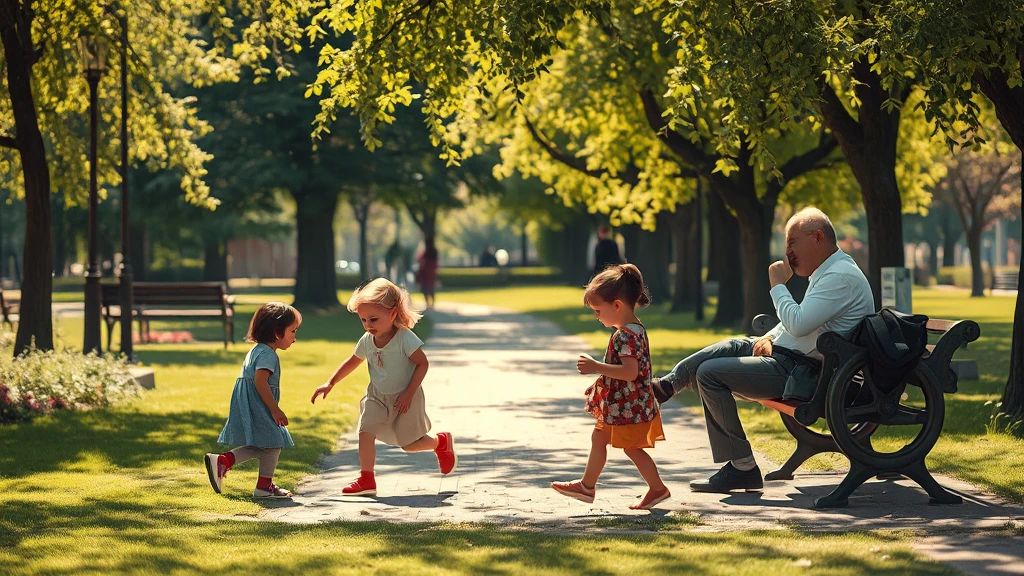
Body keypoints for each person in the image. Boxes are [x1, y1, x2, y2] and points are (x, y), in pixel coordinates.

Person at [652, 207, 874, 493]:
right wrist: (770, 337)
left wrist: (778, 286)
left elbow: (798, 321)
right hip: (793, 360)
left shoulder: (839, 277)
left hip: (807, 375)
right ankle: (669, 384)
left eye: (793, 242)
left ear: (817, 237)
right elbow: (802, 322)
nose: (788, 251)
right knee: (733, 344)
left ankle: (742, 468)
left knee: (710, 374)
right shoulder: (830, 271)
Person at [310, 278, 456, 497]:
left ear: (393, 314)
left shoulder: (404, 338)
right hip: (376, 396)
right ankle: (366, 478)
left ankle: (440, 443)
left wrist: (408, 394)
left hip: (405, 397)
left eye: (374, 319)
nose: (369, 325)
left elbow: (422, 363)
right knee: (365, 431)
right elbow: (352, 360)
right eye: (363, 320)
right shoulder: (368, 339)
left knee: (408, 444)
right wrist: (330, 382)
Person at [551, 264, 671, 510]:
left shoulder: (627, 334)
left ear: (617, 306)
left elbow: (630, 372)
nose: (596, 316)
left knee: (632, 448)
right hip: (621, 406)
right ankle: (587, 487)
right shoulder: (632, 330)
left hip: (630, 407)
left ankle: (657, 488)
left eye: (598, 310)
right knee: (599, 437)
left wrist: (597, 366)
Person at [205, 302, 302, 498]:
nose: (295, 337)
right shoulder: (268, 354)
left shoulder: (258, 350)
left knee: (263, 443)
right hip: (258, 401)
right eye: (293, 331)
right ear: (277, 333)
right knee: (273, 442)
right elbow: (260, 381)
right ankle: (260, 485)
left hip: (250, 399)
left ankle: (230, 465)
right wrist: (275, 409)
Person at [415, 236, 440, 309]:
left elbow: (420, 261)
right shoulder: (434, 251)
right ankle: (432, 304)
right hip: (432, 273)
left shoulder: (425, 252)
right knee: (431, 288)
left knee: (425, 288)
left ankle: (428, 304)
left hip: (425, 273)